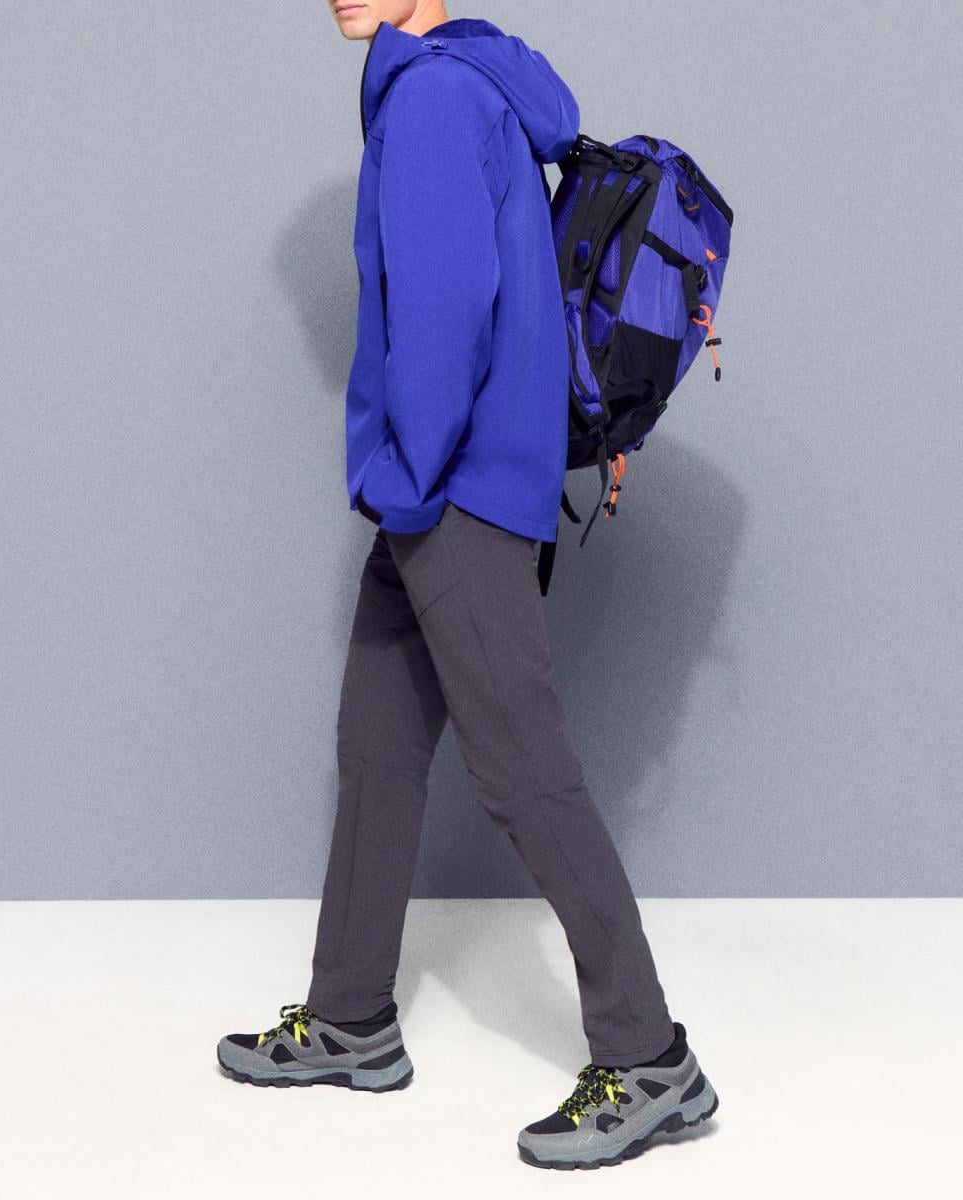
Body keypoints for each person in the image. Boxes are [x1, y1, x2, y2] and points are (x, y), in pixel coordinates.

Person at [216, 0, 719, 1169]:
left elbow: (445, 317)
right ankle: (351, 1016)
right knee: (376, 746)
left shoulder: (434, 99)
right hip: (461, 487)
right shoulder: (478, 82)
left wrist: (405, 480)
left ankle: (651, 1059)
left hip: (456, 496)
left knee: (523, 774)